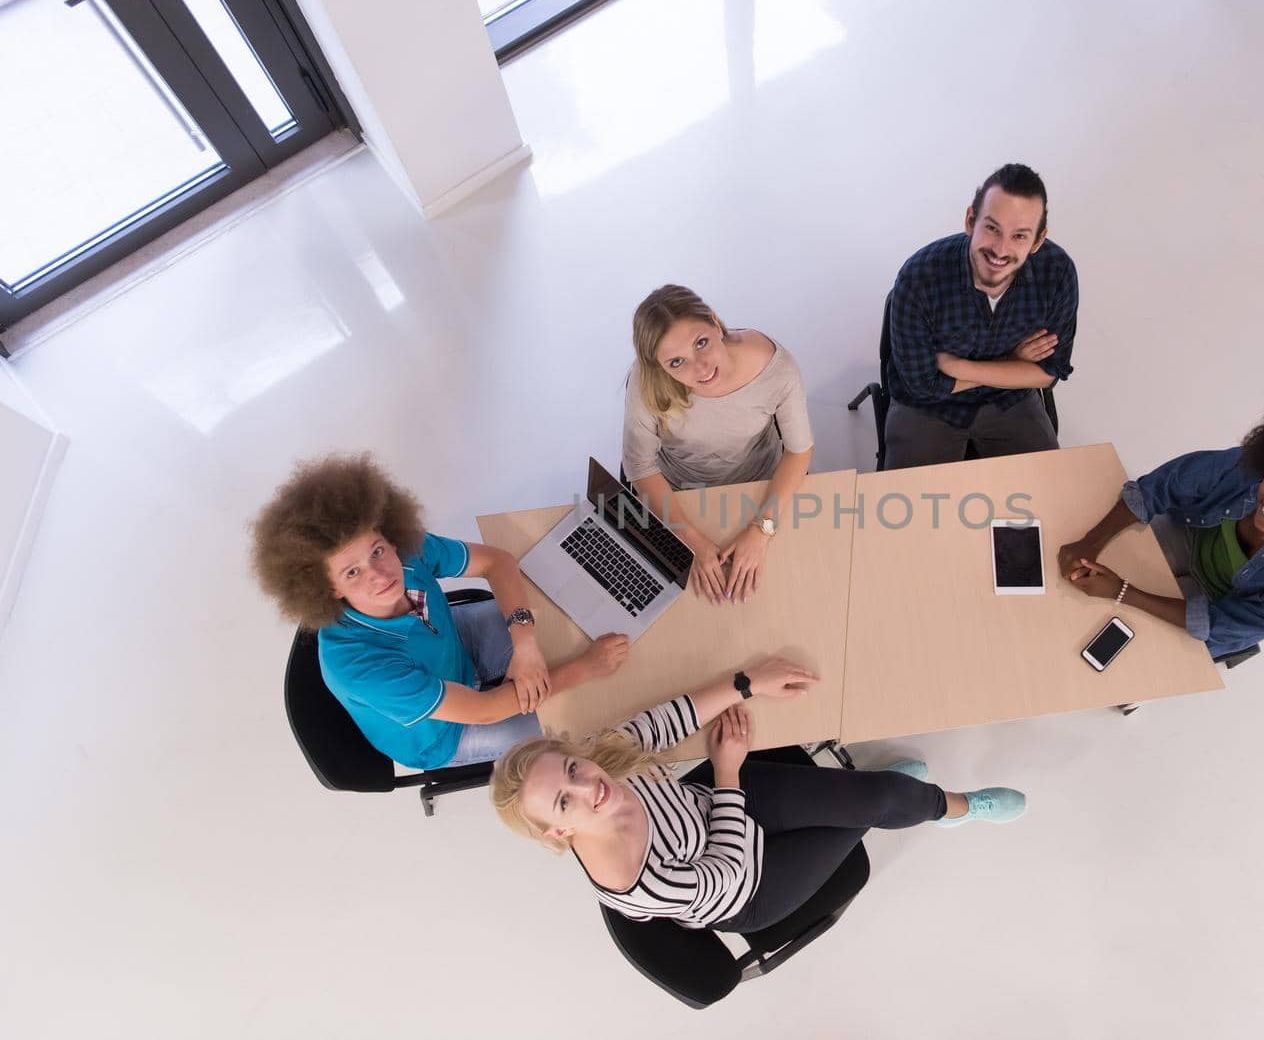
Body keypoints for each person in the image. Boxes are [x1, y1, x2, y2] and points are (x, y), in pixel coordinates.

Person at [491, 658, 1027, 933]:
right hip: (748, 885)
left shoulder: (595, 765)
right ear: (561, 831)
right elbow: (723, 868)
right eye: (565, 802)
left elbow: (662, 722)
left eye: (570, 767)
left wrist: (748, 682)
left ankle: (902, 797)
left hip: (717, 805)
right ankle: (955, 809)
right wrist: (727, 770)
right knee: (873, 805)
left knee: (880, 795)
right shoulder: (637, 884)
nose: (588, 786)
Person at [252, 454, 629, 770]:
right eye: (353, 572)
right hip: (447, 733)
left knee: (564, 628)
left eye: (378, 551)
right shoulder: (357, 665)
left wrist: (526, 645)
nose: (381, 574)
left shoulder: (405, 553)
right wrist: (585, 667)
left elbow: (497, 562)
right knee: (585, 715)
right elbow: (484, 711)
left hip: (454, 646)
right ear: (328, 588)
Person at [1058, 389, 1264, 660]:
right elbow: (1157, 489)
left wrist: (1123, 592)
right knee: (1074, 592)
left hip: (1215, 602)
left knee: (1132, 655)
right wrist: (1091, 542)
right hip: (1188, 536)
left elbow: (1219, 624)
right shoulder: (1241, 468)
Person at [623, 284, 815, 605]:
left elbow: (799, 451)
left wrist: (761, 530)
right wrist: (691, 541)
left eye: (701, 343)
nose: (701, 368)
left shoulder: (777, 369)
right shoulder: (646, 381)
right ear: (658, 366)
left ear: (715, 322)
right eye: (676, 363)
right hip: (679, 496)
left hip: (762, 486)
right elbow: (640, 467)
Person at [883, 162, 1079, 469]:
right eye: (992, 228)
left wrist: (957, 366)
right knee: (915, 509)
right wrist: (1013, 363)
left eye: (1019, 236)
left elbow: (1049, 372)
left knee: (1040, 503)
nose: (1001, 250)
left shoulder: (1057, 274)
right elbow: (922, 386)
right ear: (971, 220)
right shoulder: (919, 276)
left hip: (1008, 399)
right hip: (927, 407)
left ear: (1038, 241)